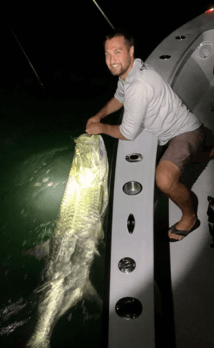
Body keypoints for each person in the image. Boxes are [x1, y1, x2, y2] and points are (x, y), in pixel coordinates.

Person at [85, 28, 214, 242]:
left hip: (187, 133)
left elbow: (127, 132)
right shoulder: (132, 69)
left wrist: (102, 128)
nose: (111, 60)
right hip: (179, 132)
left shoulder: (138, 86)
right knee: (181, 159)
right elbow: (119, 98)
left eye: (117, 52)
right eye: (107, 54)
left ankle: (190, 218)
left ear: (131, 50)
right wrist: (98, 116)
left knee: (164, 179)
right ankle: (209, 152)